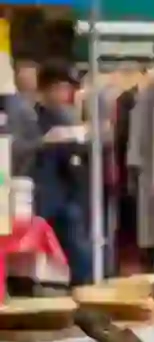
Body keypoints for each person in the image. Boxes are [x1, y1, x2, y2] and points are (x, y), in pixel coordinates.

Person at [32, 61, 91, 286]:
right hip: (49, 194)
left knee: (76, 248)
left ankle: (80, 285)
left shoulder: (66, 116)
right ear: (48, 89)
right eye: (62, 88)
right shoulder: (36, 118)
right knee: (72, 247)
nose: (65, 94)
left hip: (67, 192)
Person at [8, 60, 40, 178]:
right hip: (18, 168)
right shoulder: (13, 106)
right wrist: (41, 143)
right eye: (24, 74)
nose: (28, 79)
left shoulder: (40, 104)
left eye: (32, 75)